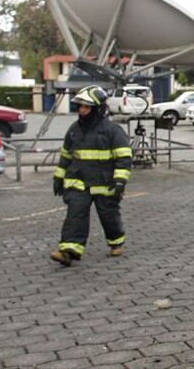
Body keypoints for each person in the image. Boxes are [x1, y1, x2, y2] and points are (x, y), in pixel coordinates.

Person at [50, 85, 132, 266]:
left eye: (86, 107)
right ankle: (68, 251)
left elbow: (124, 158)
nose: (82, 110)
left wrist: (120, 182)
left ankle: (116, 241)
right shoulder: (74, 130)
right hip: (78, 182)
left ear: (97, 108)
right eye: (80, 106)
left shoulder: (113, 131)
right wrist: (58, 177)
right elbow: (66, 156)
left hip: (104, 183)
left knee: (108, 215)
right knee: (75, 214)